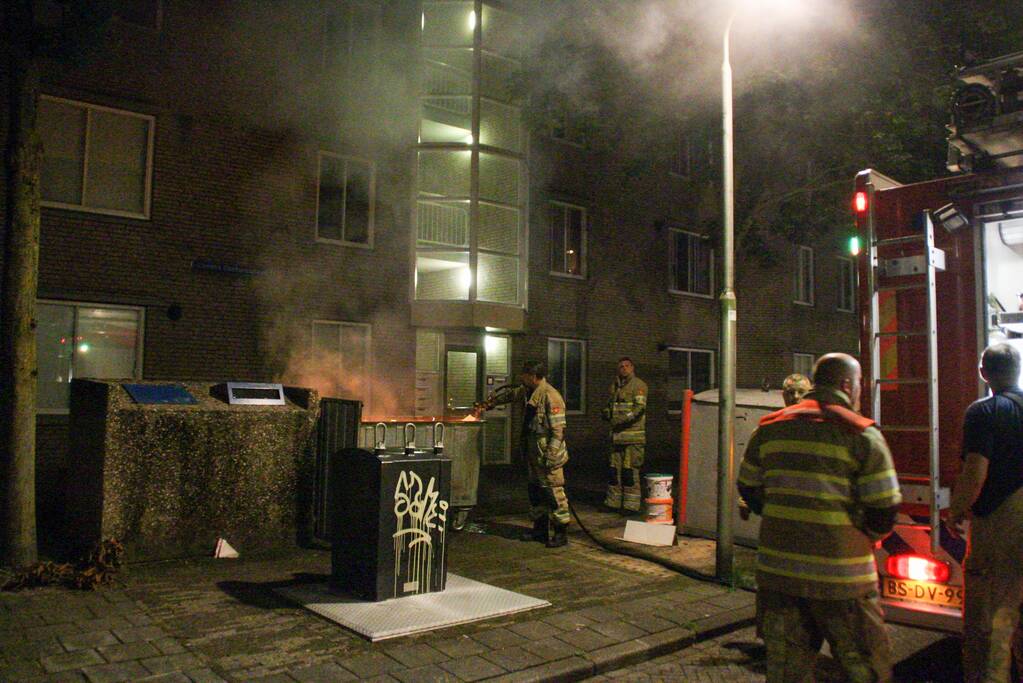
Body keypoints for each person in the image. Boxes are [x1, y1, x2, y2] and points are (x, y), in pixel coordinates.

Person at [737, 353, 902, 683]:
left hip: (779, 577)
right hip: (843, 581)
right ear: (847, 385)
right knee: (864, 669)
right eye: (859, 384)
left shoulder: (769, 429)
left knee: (786, 671)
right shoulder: (861, 435)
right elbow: (884, 509)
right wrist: (861, 535)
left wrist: (783, 519)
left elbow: (748, 486)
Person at [948, 343, 1023, 682]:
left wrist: (956, 509)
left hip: (1000, 530)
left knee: (990, 626)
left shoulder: (984, 412)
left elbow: (975, 472)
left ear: (983, 373)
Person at [475, 361, 571, 548]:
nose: (521, 378)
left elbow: (558, 432)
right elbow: (510, 395)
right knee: (535, 491)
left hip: (547, 455)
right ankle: (540, 530)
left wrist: (551, 456)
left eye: (524, 375)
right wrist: (488, 404)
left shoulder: (551, 396)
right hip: (533, 453)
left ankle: (561, 532)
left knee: (553, 493)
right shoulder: (528, 391)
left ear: (534, 376)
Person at [739, 373, 813, 521]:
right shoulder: (767, 429)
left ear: (809, 394)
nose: (796, 397)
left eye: (801, 392)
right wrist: (746, 500)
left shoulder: (819, 428)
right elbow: (750, 471)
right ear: (783, 395)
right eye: (791, 392)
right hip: (784, 511)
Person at [601, 357, 648, 513]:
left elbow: (639, 409)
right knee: (613, 471)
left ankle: (631, 506)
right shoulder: (614, 386)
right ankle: (612, 503)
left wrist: (621, 420)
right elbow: (609, 405)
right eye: (621, 366)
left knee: (629, 472)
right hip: (616, 437)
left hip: (632, 438)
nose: (624, 368)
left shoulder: (639, 385)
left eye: (627, 366)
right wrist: (606, 413)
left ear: (632, 368)